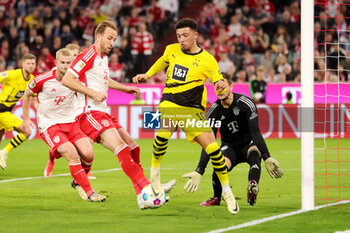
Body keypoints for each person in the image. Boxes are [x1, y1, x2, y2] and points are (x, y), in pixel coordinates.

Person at [133, 18, 239, 215]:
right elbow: (162, 61)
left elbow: (217, 80)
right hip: (170, 101)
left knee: (214, 149)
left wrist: (221, 86)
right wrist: (147, 74)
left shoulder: (207, 59)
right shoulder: (171, 49)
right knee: (164, 131)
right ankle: (154, 173)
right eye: (179, 36)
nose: (181, 39)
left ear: (195, 35)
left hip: (192, 109)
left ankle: (226, 190)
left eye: (185, 35)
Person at [61, 20, 170, 209]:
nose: (112, 43)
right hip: (89, 113)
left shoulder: (102, 58)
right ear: (98, 36)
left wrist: (124, 89)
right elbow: (67, 79)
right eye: (109, 38)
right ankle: (147, 190)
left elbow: (104, 80)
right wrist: (92, 93)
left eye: (115, 40)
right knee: (121, 148)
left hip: (102, 111)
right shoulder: (88, 55)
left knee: (133, 147)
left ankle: (141, 195)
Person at [182, 73, 283, 207]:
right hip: (230, 147)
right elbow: (208, 142)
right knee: (219, 165)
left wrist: (267, 157)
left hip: (248, 144)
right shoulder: (214, 111)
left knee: (254, 153)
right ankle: (216, 198)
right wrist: (199, 170)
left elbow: (255, 132)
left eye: (223, 84)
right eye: (216, 85)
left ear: (231, 86)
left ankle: (252, 185)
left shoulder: (245, 103)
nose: (220, 87)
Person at [22, 48, 105, 202]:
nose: (66, 66)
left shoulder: (76, 79)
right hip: (50, 125)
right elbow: (27, 94)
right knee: (73, 155)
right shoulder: (43, 79)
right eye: (63, 63)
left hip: (71, 123)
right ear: (56, 62)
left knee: (88, 154)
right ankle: (89, 193)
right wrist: (26, 119)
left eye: (69, 63)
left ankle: (78, 181)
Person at [43, 43, 96, 180]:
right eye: (70, 56)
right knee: (65, 144)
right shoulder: (57, 75)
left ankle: (86, 171)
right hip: (63, 115)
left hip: (77, 112)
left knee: (86, 144)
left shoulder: (80, 73)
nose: (73, 58)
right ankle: (51, 161)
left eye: (75, 56)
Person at [0, 54, 37, 170]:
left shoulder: (32, 80)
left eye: (33, 63)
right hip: (2, 110)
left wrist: (42, 112)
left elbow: (34, 100)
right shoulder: (12, 74)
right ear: (22, 64)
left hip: (6, 112)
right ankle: (4, 152)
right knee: (27, 131)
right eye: (28, 63)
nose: (31, 66)